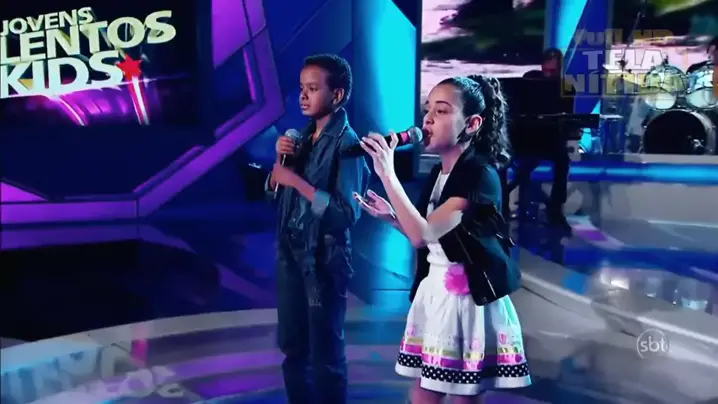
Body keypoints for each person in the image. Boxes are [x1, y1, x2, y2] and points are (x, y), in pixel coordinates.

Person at [355, 75, 531, 403]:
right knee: (437, 390)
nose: (428, 119)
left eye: (442, 110)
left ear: (472, 124)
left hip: (464, 299)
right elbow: (432, 235)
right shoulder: (440, 173)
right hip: (436, 292)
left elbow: (422, 234)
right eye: (428, 110)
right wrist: (391, 217)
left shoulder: (479, 175)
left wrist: (387, 173)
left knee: (451, 393)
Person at [265, 53, 370, 404]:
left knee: (325, 354)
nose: (303, 96)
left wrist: (296, 181)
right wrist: (279, 170)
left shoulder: (349, 146)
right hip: (290, 255)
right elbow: (275, 195)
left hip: (323, 261)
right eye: (301, 88)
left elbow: (346, 214)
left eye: (312, 88)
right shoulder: (301, 140)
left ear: (336, 95)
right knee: (293, 347)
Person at [517, 48, 573, 228]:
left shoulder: (567, 87)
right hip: (525, 137)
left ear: (560, 69)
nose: (549, 74)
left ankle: (556, 209)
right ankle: (500, 210)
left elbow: (567, 118)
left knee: (563, 160)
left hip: (549, 139)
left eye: (553, 71)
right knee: (501, 160)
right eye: (547, 70)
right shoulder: (529, 80)